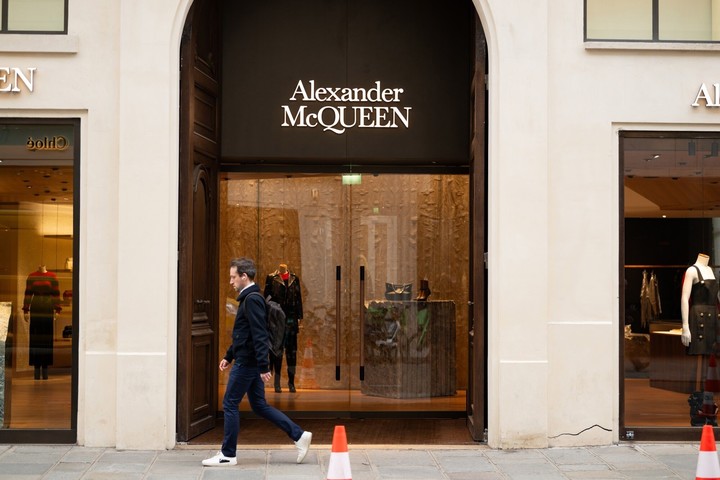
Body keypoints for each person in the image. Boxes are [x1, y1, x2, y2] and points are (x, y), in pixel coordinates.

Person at [202, 257, 312, 467]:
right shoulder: (250, 298)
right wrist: (228, 355)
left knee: (230, 403)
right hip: (248, 360)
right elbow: (244, 334)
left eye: (234, 277)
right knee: (259, 405)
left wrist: (263, 366)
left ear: (244, 276)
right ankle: (299, 435)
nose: (231, 281)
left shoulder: (251, 300)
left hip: (248, 363)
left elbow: (259, 334)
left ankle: (228, 454)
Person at [264, 263, 303, 392]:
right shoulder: (271, 278)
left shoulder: (294, 278)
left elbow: (298, 299)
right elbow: (267, 299)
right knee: (277, 352)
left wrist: (299, 318)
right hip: (276, 321)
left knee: (292, 353)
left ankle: (291, 382)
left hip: (291, 320)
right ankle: (277, 382)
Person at [22, 265, 61, 380]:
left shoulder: (52, 277)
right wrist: (26, 309)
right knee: (35, 337)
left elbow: (56, 294)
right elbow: (28, 293)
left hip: (48, 305)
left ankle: (45, 369)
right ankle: (36, 368)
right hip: (36, 305)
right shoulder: (32, 276)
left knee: (47, 337)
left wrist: (57, 309)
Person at [680, 253, 720, 354]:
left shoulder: (711, 270)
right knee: (698, 355)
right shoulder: (692, 271)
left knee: (712, 358)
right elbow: (684, 298)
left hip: (713, 320)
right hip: (698, 319)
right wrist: (685, 326)